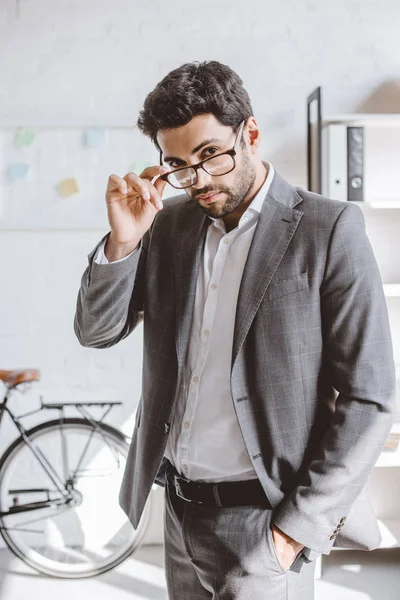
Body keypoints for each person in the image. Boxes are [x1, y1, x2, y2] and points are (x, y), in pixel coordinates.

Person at [74, 60, 396, 599]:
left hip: (265, 526)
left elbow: (372, 396)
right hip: (177, 512)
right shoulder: (168, 224)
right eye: (177, 163)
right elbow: (96, 331)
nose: (195, 179)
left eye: (209, 155)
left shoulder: (328, 228)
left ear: (249, 133)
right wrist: (123, 242)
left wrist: (291, 535)